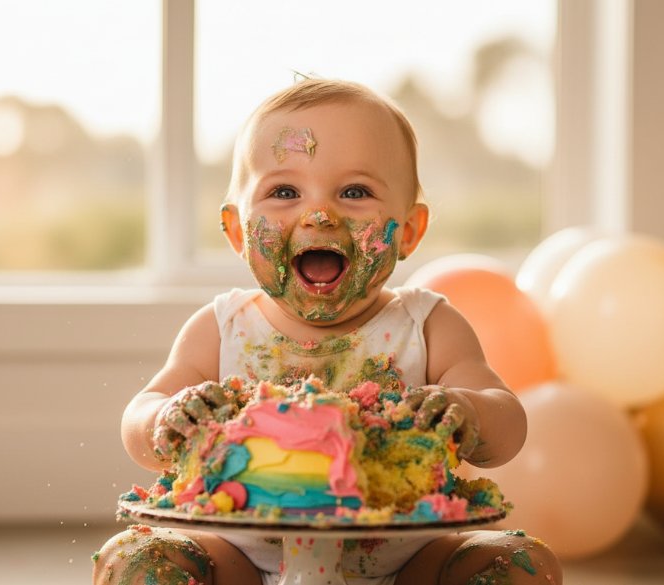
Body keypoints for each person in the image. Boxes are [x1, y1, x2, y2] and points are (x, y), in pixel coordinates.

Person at [93, 78, 562, 585]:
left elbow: (506, 420)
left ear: (408, 230)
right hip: (241, 562)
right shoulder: (223, 327)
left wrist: (469, 410)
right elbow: (141, 416)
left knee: (521, 564)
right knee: (135, 559)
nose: (319, 215)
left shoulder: (427, 325)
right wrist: (164, 417)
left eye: (355, 192)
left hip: (407, 563)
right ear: (237, 230)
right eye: (284, 192)